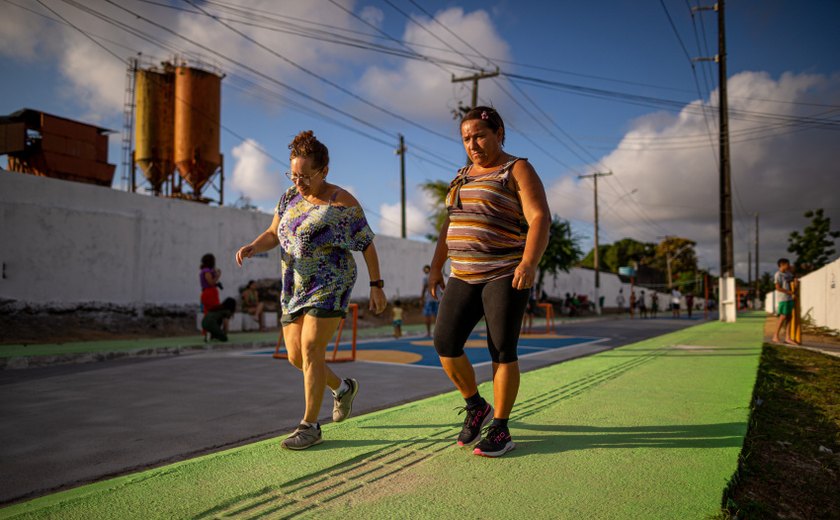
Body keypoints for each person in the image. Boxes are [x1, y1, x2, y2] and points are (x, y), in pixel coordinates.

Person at [236, 130, 387, 450]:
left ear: (324, 171)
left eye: (305, 176)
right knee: (296, 357)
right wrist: (253, 246)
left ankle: (309, 425)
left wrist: (376, 286)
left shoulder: (341, 203)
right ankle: (343, 389)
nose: (298, 182)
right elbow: (272, 233)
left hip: (331, 284)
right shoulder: (288, 197)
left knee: (310, 350)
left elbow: (367, 245)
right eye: (293, 175)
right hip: (294, 287)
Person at [428, 106, 550, 458]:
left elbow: (540, 216)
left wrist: (529, 262)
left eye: (480, 135)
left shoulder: (518, 169)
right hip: (463, 275)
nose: (473, 144)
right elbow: (449, 226)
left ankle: (500, 426)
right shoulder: (461, 175)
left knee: (501, 349)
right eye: (466, 138)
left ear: (499, 133)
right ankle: (475, 405)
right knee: (445, 343)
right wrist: (437, 268)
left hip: (504, 272)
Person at [771, 258, 796, 345]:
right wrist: (789, 292)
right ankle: (775, 336)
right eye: (787, 264)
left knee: (789, 317)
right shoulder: (778, 275)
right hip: (783, 299)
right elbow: (777, 288)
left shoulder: (788, 273)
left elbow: (793, 279)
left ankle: (787, 337)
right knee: (783, 317)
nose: (789, 266)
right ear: (782, 265)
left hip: (789, 298)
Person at [420, 265, 439, 337]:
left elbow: (424, 288)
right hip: (435, 299)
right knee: (436, 317)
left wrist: (421, 298)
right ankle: (436, 332)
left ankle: (429, 332)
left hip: (430, 299)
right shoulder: (436, 276)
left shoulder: (425, 278)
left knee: (428, 316)